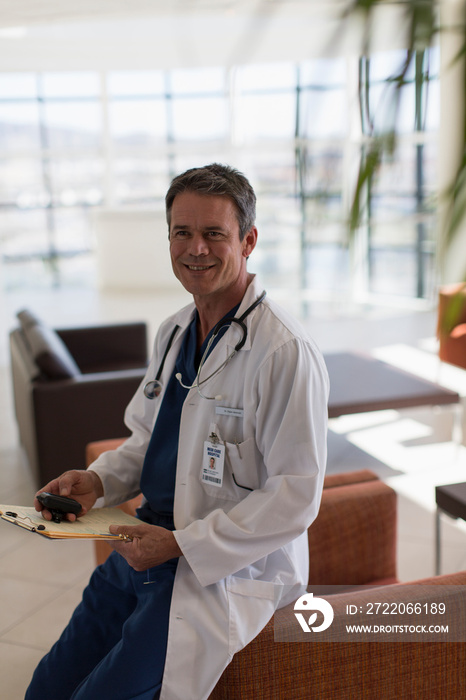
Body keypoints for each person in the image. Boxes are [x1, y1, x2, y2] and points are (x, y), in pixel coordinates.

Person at [26, 163, 329, 700]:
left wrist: (183, 547)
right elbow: (146, 440)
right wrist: (95, 482)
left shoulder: (283, 351)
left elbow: (295, 496)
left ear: (248, 240)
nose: (196, 249)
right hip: (141, 547)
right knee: (46, 688)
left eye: (214, 233)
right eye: (182, 233)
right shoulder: (174, 332)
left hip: (215, 570)